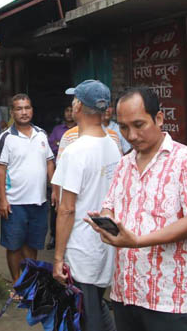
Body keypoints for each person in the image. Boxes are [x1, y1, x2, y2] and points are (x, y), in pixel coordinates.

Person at [86, 86, 187, 331]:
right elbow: (109, 205)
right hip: (126, 291)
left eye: (139, 124)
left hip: (168, 297)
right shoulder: (124, 164)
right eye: (123, 127)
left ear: (159, 118)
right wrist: (105, 221)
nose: (131, 135)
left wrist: (138, 241)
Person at [51, 80, 120, 331]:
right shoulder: (112, 146)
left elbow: (67, 208)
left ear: (78, 106)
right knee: (94, 305)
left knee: (86, 314)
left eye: (74, 100)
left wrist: (58, 257)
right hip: (104, 247)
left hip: (82, 248)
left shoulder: (76, 151)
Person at [0, 94, 54, 282]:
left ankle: (28, 282)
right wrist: (3, 199)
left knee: (33, 244)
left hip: (38, 200)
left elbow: (49, 162)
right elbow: (1, 170)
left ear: (32, 110)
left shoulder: (41, 134)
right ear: (12, 112)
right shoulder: (5, 138)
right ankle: (16, 283)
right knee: (14, 245)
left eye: (27, 108)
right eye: (19, 109)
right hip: (14, 202)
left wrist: (54, 189)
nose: (24, 112)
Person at [46, 105, 75, 249]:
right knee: (56, 204)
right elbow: (52, 150)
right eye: (67, 110)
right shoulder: (58, 130)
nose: (69, 113)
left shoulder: (82, 128)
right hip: (59, 173)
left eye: (71, 110)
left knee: (72, 205)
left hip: (75, 173)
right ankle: (54, 237)